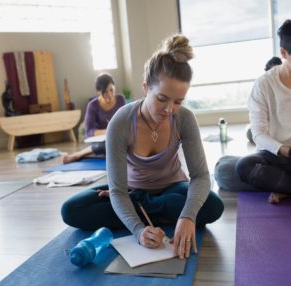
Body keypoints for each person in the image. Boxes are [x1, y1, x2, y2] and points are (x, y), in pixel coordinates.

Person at [61, 34, 224, 259]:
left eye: (178, 101)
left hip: (172, 189)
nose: (169, 109)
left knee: (213, 206)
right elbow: (117, 190)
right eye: (162, 98)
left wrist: (187, 216)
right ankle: (148, 211)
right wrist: (138, 230)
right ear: (146, 87)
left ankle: (140, 209)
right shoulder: (121, 122)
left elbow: (201, 176)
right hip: (131, 190)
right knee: (71, 210)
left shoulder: (184, 118)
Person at [236, 19, 291, 204]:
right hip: (276, 155)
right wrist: (286, 151)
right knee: (243, 166)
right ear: (284, 53)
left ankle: (285, 188)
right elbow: (258, 135)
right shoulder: (264, 84)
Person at [63, 73, 126, 163]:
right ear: (98, 92)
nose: (109, 94)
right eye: (105, 92)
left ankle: (90, 154)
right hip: (101, 141)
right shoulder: (92, 105)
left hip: (119, 138)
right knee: (108, 145)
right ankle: (79, 154)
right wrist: (108, 131)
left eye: (111, 90)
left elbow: (126, 121)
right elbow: (89, 131)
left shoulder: (121, 99)